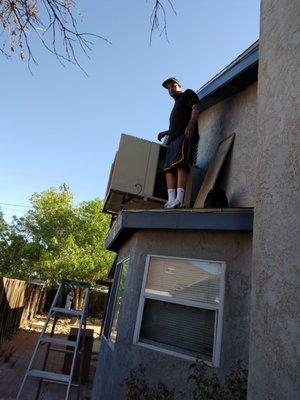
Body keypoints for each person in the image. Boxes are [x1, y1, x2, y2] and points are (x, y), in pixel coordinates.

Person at [158, 77, 201, 208]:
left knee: (180, 165)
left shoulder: (187, 93)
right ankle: (171, 199)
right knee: (168, 169)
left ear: (179, 86)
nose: (171, 89)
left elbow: (196, 107)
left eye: (173, 86)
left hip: (185, 135)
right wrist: (166, 132)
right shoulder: (176, 105)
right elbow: (175, 125)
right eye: (168, 88)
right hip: (172, 139)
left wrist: (191, 125)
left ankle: (179, 200)